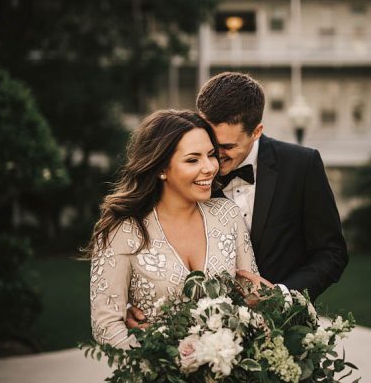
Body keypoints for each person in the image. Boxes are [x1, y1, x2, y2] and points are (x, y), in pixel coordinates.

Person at [127, 72, 348, 328]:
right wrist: (138, 303)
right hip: (201, 338)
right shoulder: (184, 174)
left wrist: (282, 296)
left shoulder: (301, 165)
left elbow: (331, 253)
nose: (213, 159)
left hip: (286, 331)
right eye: (210, 142)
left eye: (226, 147)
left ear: (256, 131)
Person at [88, 110, 260, 348]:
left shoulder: (228, 215)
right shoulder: (122, 230)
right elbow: (106, 327)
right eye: (192, 159)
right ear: (161, 169)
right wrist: (161, 362)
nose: (210, 167)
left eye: (211, 155)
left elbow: (252, 298)